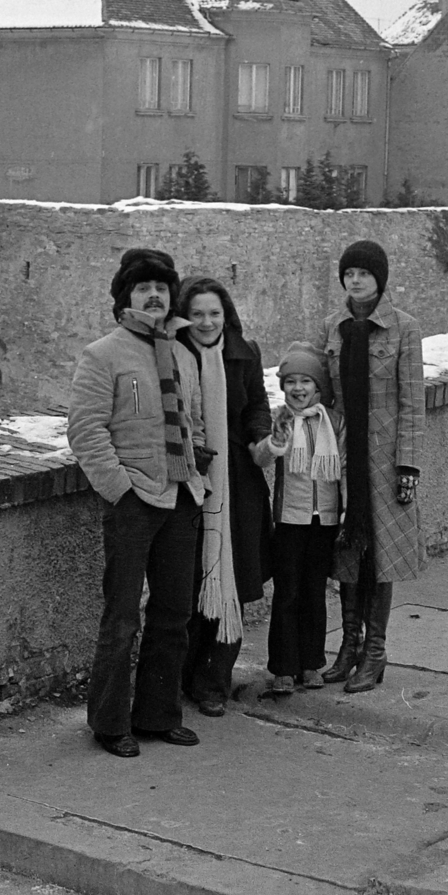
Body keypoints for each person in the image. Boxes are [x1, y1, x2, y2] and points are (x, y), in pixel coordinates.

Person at [67, 247, 210, 757]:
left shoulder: (183, 352)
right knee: (122, 617)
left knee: (173, 613)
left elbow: (192, 418)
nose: (154, 296)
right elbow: (85, 431)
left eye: (162, 288)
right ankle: (110, 723)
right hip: (133, 500)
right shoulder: (103, 354)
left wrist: (197, 467)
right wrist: (121, 490)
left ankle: (157, 714)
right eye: (143, 288)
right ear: (125, 297)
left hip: (181, 497)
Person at [316, 239, 424, 693]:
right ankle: (348, 646)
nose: (356, 280)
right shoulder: (332, 327)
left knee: (380, 554)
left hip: (384, 458)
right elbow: (325, 394)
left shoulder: (404, 329)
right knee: (346, 550)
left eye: (364, 273)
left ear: (380, 278)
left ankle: (375, 653)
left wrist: (409, 466)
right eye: (349, 273)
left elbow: (412, 402)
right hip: (343, 454)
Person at [176, 275, 274, 716]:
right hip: (189, 480)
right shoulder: (174, 355)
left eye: (214, 313)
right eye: (196, 313)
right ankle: (184, 677)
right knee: (191, 581)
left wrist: (260, 440)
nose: (206, 321)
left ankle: (214, 682)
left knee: (229, 577)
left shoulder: (243, 353)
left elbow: (257, 407)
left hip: (238, 482)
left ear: (226, 314)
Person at [253, 342, 344, 696]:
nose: (298, 388)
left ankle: (311, 662)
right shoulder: (282, 418)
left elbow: (345, 468)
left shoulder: (332, 422)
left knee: (314, 592)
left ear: (318, 387)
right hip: (290, 519)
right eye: (291, 381)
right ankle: (283, 667)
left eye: (306, 381)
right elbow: (262, 457)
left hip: (326, 520)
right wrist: (275, 442)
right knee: (287, 593)